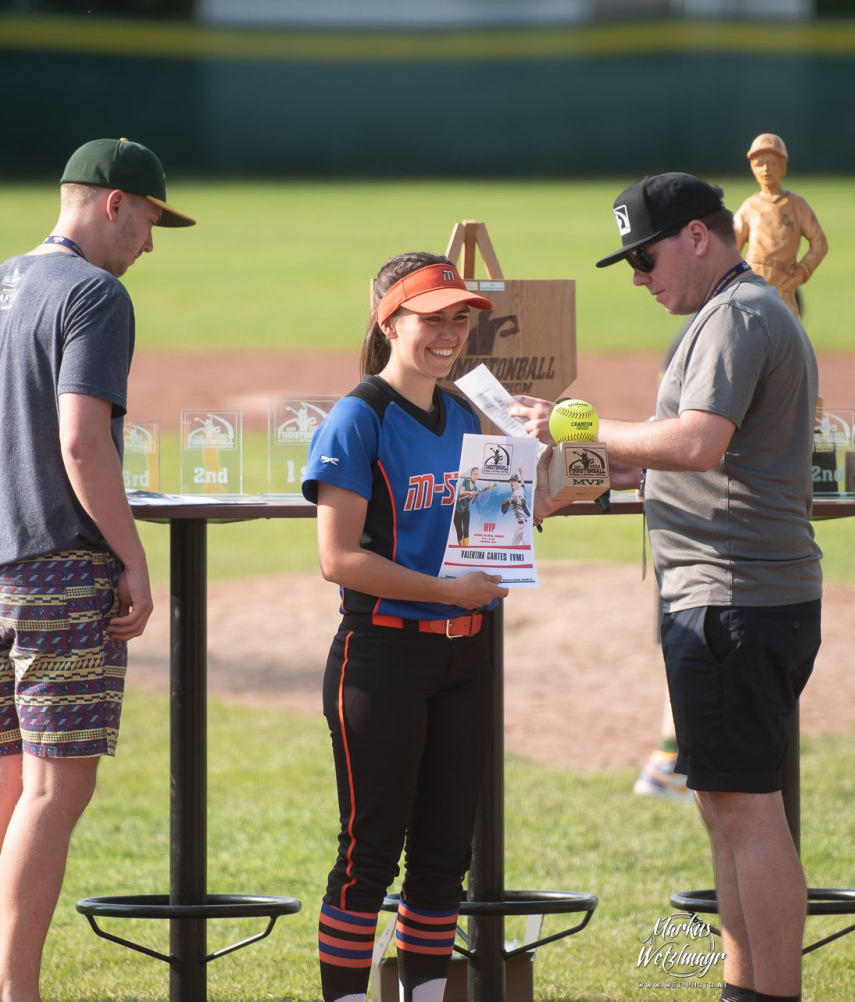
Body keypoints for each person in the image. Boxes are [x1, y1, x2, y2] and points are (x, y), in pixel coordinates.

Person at [513, 172, 821, 1002]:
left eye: (645, 259)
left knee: (748, 814)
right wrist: (566, 474)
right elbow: (672, 456)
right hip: (735, 592)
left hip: (734, 595)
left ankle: (771, 993)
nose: (641, 280)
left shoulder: (740, 314)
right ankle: (743, 988)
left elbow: (694, 444)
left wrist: (571, 424)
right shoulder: (732, 314)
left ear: (697, 236)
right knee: (727, 810)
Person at [0, 136, 193, 1002]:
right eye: (152, 220)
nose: (152, 245)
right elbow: (82, 442)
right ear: (112, 203)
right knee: (50, 788)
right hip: (56, 569)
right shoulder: (95, 295)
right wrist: (132, 557)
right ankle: (18, 991)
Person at [302, 252, 524, 1002]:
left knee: (441, 859)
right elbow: (338, 559)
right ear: (389, 320)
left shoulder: (464, 415)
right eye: (432, 318)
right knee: (369, 857)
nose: (450, 333)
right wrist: (445, 589)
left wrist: (547, 476)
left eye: (460, 319)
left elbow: (495, 531)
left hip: (467, 661)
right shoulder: (357, 417)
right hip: (383, 656)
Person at [734, 133, 828, 319]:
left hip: (785, 280)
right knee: (751, 330)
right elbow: (730, 247)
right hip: (754, 279)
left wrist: (803, 271)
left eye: (772, 163)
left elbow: (820, 243)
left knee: (789, 335)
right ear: (753, 168)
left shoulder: (796, 205)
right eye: (760, 164)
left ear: (782, 166)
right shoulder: (750, 207)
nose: (766, 169)